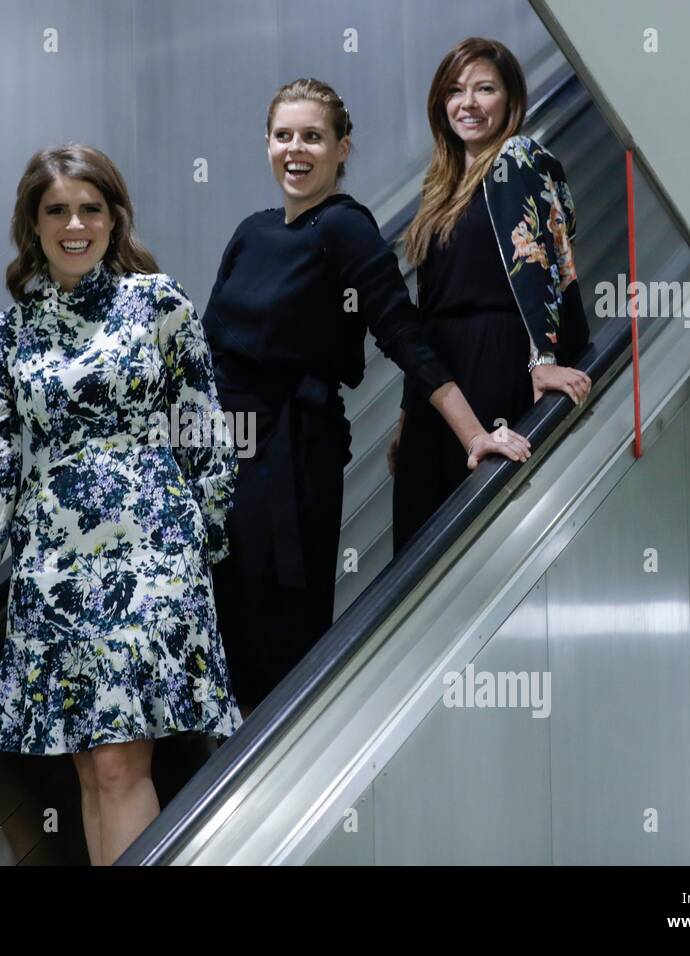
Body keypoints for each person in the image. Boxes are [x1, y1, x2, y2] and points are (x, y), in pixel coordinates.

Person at [0, 144, 241, 866]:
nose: (74, 224)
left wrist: (202, 546)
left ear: (114, 217)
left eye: (90, 209)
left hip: (152, 551)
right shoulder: (7, 335)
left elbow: (205, 429)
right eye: (56, 210)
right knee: (93, 769)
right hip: (57, 567)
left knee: (123, 767)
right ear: (32, 224)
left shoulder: (159, 303)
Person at [202, 78, 531, 714]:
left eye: (313, 137)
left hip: (293, 459)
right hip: (223, 458)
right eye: (284, 136)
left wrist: (473, 433)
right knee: (223, 632)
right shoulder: (251, 232)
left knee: (279, 638)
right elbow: (203, 355)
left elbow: (404, 333)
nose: (296, 149)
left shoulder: (346, 228)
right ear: (267, 143)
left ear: (341, 147)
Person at [390, 38, 592, 553]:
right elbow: (426, 305)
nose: (469, 103)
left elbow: (543, 262)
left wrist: (544, 358)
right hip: (440, 378)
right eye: (456, 91)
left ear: (510, 99)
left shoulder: (519, 157)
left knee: (478, 535)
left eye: (485, 89)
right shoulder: (441, 183)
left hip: (497, 360)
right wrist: (410, 410)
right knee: (419, 542)